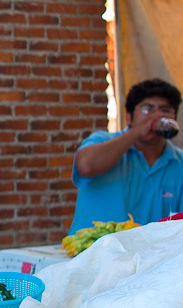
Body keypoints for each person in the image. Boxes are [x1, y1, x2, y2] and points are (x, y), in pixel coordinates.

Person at [69, 78, 183, 233]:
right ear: (129, 117)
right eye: (147, 109)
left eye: (165, 110)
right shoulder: (103, 140)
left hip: (147, 255)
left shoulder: (179, 162)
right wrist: (136, 131)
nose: (156, 116)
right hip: (91, 253)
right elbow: (86, 166)